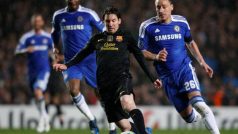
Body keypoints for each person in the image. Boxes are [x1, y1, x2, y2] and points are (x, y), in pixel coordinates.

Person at [53, 7, 162, 134]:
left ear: (119, 21)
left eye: (113, 21)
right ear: (104, 22)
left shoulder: (126, 37)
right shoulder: (97, 39)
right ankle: (143, 131)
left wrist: (153, 78)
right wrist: (67, 65)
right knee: (125, 127)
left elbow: (139, 57)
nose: (110, 24)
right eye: (108, 21)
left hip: (122, 79)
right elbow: (82, 54)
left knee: (127, 103)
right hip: (104, 86)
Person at [138, 0, 220, 134]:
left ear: (171, 7)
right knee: (189, 118)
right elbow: (141, 52)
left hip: (184, 70)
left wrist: (202, 62)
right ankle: (200, 116)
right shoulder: (147, 26)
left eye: (164, 7)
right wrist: (156, 57)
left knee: (199, 104)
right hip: (167, 78)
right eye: (158, 7)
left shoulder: (181, 22)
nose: (161, 10)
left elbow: (190, 42)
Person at [51, 0, 116, 133]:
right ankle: (92, 120)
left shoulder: (88, 14)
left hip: (90, 59)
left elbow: (103, 28)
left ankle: (112, 127)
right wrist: (56, 48)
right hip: (71, 62)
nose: (72, 0)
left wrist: (110, 44)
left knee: (102, 93)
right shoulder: (58, 16)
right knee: (73, 90)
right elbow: (54, 33)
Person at [15, 14, 53, 133]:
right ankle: (45, 118)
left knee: (38, 90)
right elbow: (17, 51)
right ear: (32, 23)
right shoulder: (26, 37)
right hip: (31, 72)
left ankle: (42, 121)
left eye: (39, 21)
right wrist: (26, 50)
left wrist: (55, 59)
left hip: (44, 70)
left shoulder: (47, 37)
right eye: (35, 21)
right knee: (37, 97)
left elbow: (53, 52)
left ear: (42, 23)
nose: (37, 23)